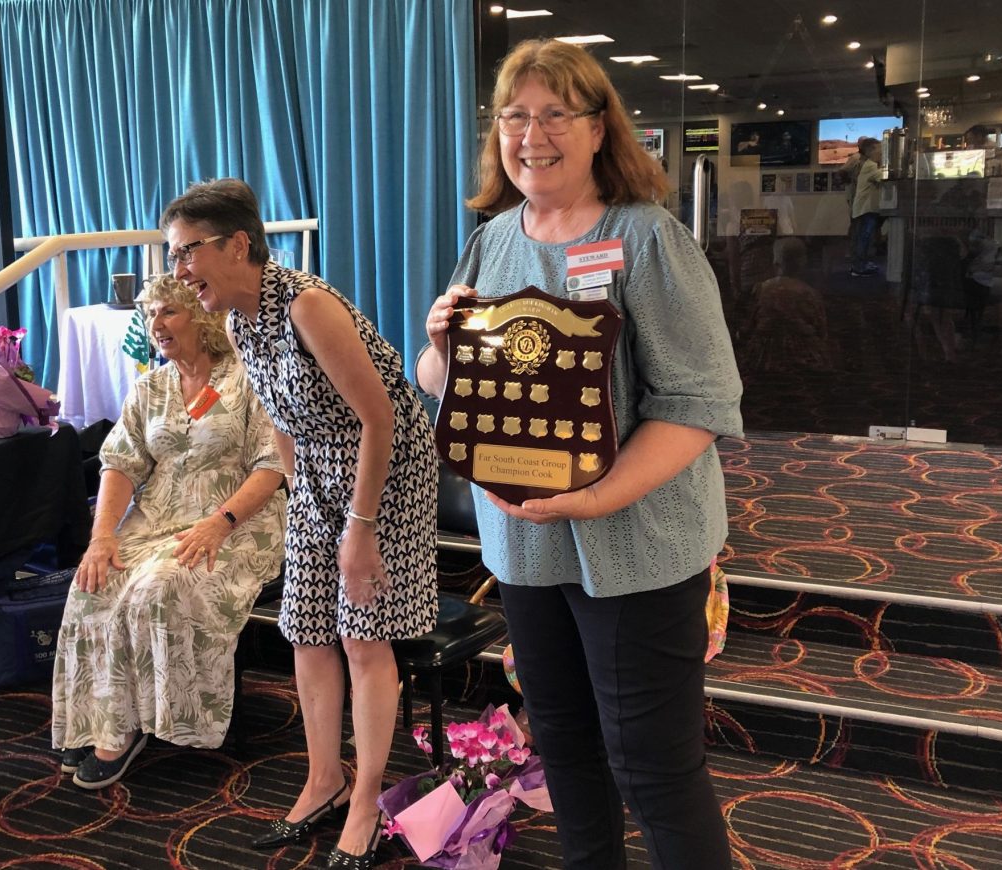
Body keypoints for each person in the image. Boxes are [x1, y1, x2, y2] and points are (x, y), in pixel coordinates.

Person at [417, 38, 741, 870]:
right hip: (526, 545)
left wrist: (595, 499)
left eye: (555, 113)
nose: (532, 134)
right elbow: (443, 383)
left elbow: (699, 404)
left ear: (600, 129)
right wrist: (438, 345)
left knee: (653, 766)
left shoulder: (648, 237)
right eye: (514, 116)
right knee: (563, 750)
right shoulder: (493, 240)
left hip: (637, 546)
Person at [161, 178, 437, 867]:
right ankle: (325, 780)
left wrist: (361, 528)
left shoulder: (306, 305)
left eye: (186, 253)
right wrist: (302, 507)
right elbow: (284, 423)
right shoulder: (237, 320)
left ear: (239, 245)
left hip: (386, 470)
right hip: (317, 471)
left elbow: (380, 419)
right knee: (308, 631)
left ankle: (368, 797)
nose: (178, 272)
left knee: (362, 636)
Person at [51, 274, 287, 789]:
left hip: (238, 521)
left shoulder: (248, 378)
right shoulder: (150, 388)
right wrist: (103, 537)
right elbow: (118, 463)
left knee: (157, 588)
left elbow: (272, 466)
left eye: (167, 312)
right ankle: (104, 719)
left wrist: (221, 521)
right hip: (155, 518)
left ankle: (155, 723)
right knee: (93, 582)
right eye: (150, 314)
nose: (155, 325)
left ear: (200, 318)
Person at [742, 238, 837, 372]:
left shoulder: (761, 289)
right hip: (803, 351)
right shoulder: (809, 293)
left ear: (775, 262)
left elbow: (750, 323)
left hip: (765, 353)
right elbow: (821, 329)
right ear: (803, 263)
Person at [850, 137, 884, 277]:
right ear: (870, 150)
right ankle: (859, 268)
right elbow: (883, 177)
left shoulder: (871, 164)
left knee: (863, 238)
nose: (881, 152)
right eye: (879, 148)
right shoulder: (870, 165)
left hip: (865, 209)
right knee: (864, 238)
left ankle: (861, 265)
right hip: (866, 209)